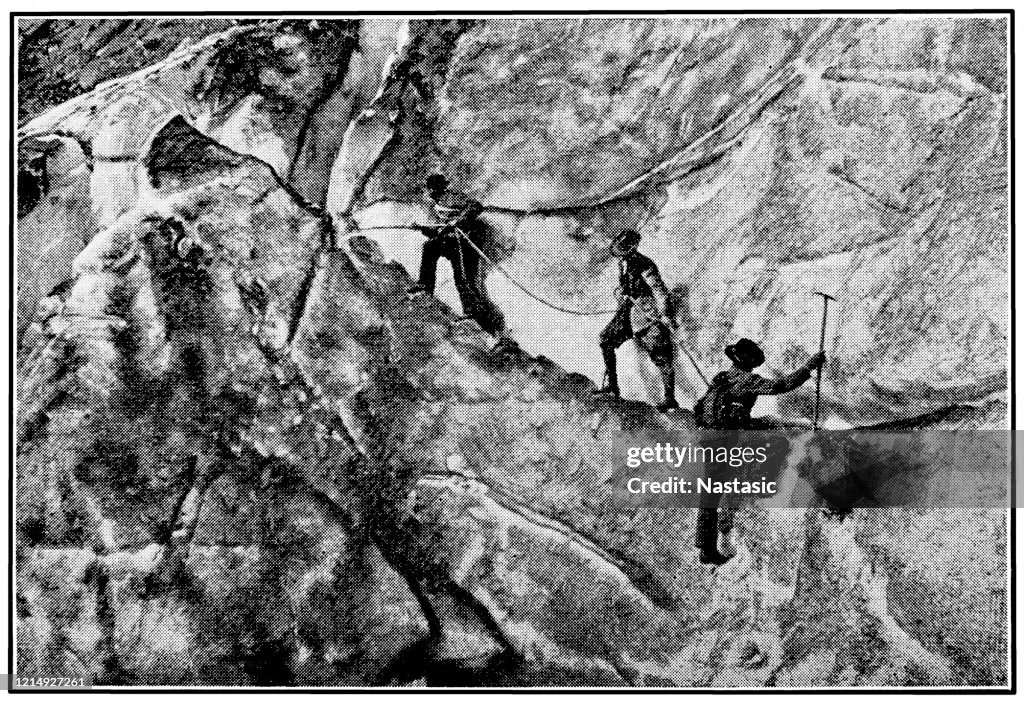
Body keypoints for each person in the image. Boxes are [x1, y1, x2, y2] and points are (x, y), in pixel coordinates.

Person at [693, 338, 825, 565]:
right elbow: (781, 386)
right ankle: (707, 549)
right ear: (750, 364)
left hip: (708, 436)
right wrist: (809, 367)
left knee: (710, 493)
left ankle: (706, 545)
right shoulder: (748, 380)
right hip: (726, 440)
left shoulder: (721, 378)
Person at [593, 229, 678, 412]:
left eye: (624, 251)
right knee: (606, 340)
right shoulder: (623, 264)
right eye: (620, 251)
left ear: (632, 249)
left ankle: (670, 399)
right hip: (627, 312)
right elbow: (625, 288)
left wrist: (664, 315)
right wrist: (621, 294)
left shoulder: (645, 264)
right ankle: (612, 387)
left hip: (646, 314)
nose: (621, 255)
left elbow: (659, 290)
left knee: (661, 356)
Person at [408, 174, 503, 335]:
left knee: (464, 279)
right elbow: (441, 231)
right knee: (431, 246)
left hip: (467, 243)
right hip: (453, 243)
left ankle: (480, 319)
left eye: (430, 188)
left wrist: (458, 221)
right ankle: (425, 286)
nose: (428, 192)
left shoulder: (451, 197)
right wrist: (422, 228)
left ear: (436, 188)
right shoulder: (438, 204)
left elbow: (475, 206)